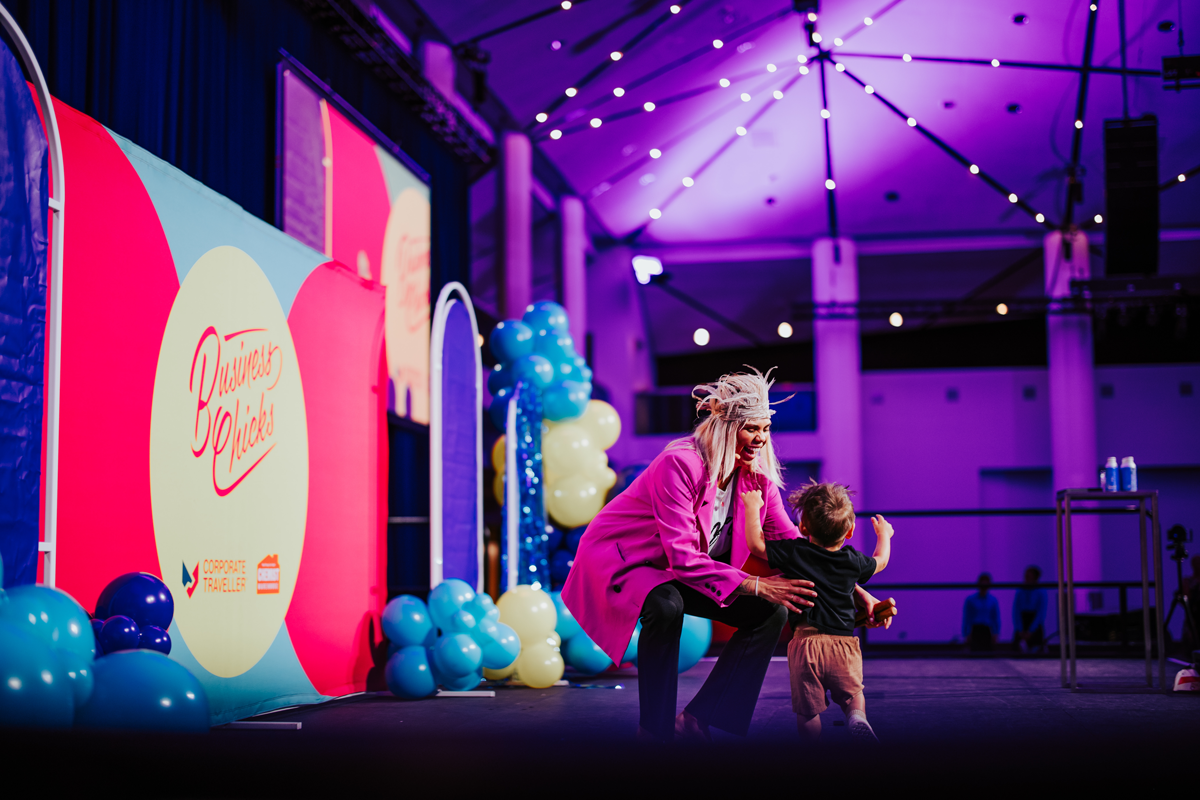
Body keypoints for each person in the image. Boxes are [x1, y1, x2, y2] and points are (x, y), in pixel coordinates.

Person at [561, 369, 895, 743]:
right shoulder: (680, 463)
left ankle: (696, 719)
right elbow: (683, 558)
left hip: (678, 568)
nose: (761, 438)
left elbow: (794, 544)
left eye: (765, 428)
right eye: (752, 428)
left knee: (772, 611)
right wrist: (755, 584)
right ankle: (653, 732)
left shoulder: (756, 478)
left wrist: (852, 591)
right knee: (667, 605)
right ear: (727, 426)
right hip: (629, 561)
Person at [742, 480, 893, 743]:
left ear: (802, 528)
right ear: (850, 532)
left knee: (808, 711)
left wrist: (752, 507)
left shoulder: (795, 553)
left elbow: (757, 545)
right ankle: (857, 717)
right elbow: (880, 562)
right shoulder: (852, 560)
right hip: (843, 644)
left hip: (806, 644)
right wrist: (884, 535)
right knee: (853, 695)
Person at [1012, 565, 1048, 653]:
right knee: (1017, 650)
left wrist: (1031, 631)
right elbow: (1016, 610)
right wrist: (1020, 629)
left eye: (1029, 576)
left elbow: (1040, 612)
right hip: (1022, 621)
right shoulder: (1020, 591)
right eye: (1026, 576)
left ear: (1035, 578)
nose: (1026, 578)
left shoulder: (1041, 591)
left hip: (1034, 623)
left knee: (1036, 651)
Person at [963, 572, 1001, 651]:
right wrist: (966, 633)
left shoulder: (992, 600)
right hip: (976, 629)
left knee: (987, 654)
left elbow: (995, 617)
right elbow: (967, 617)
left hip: (987, 629)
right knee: (975, 654)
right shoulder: (971, 600)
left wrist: (996, 632)